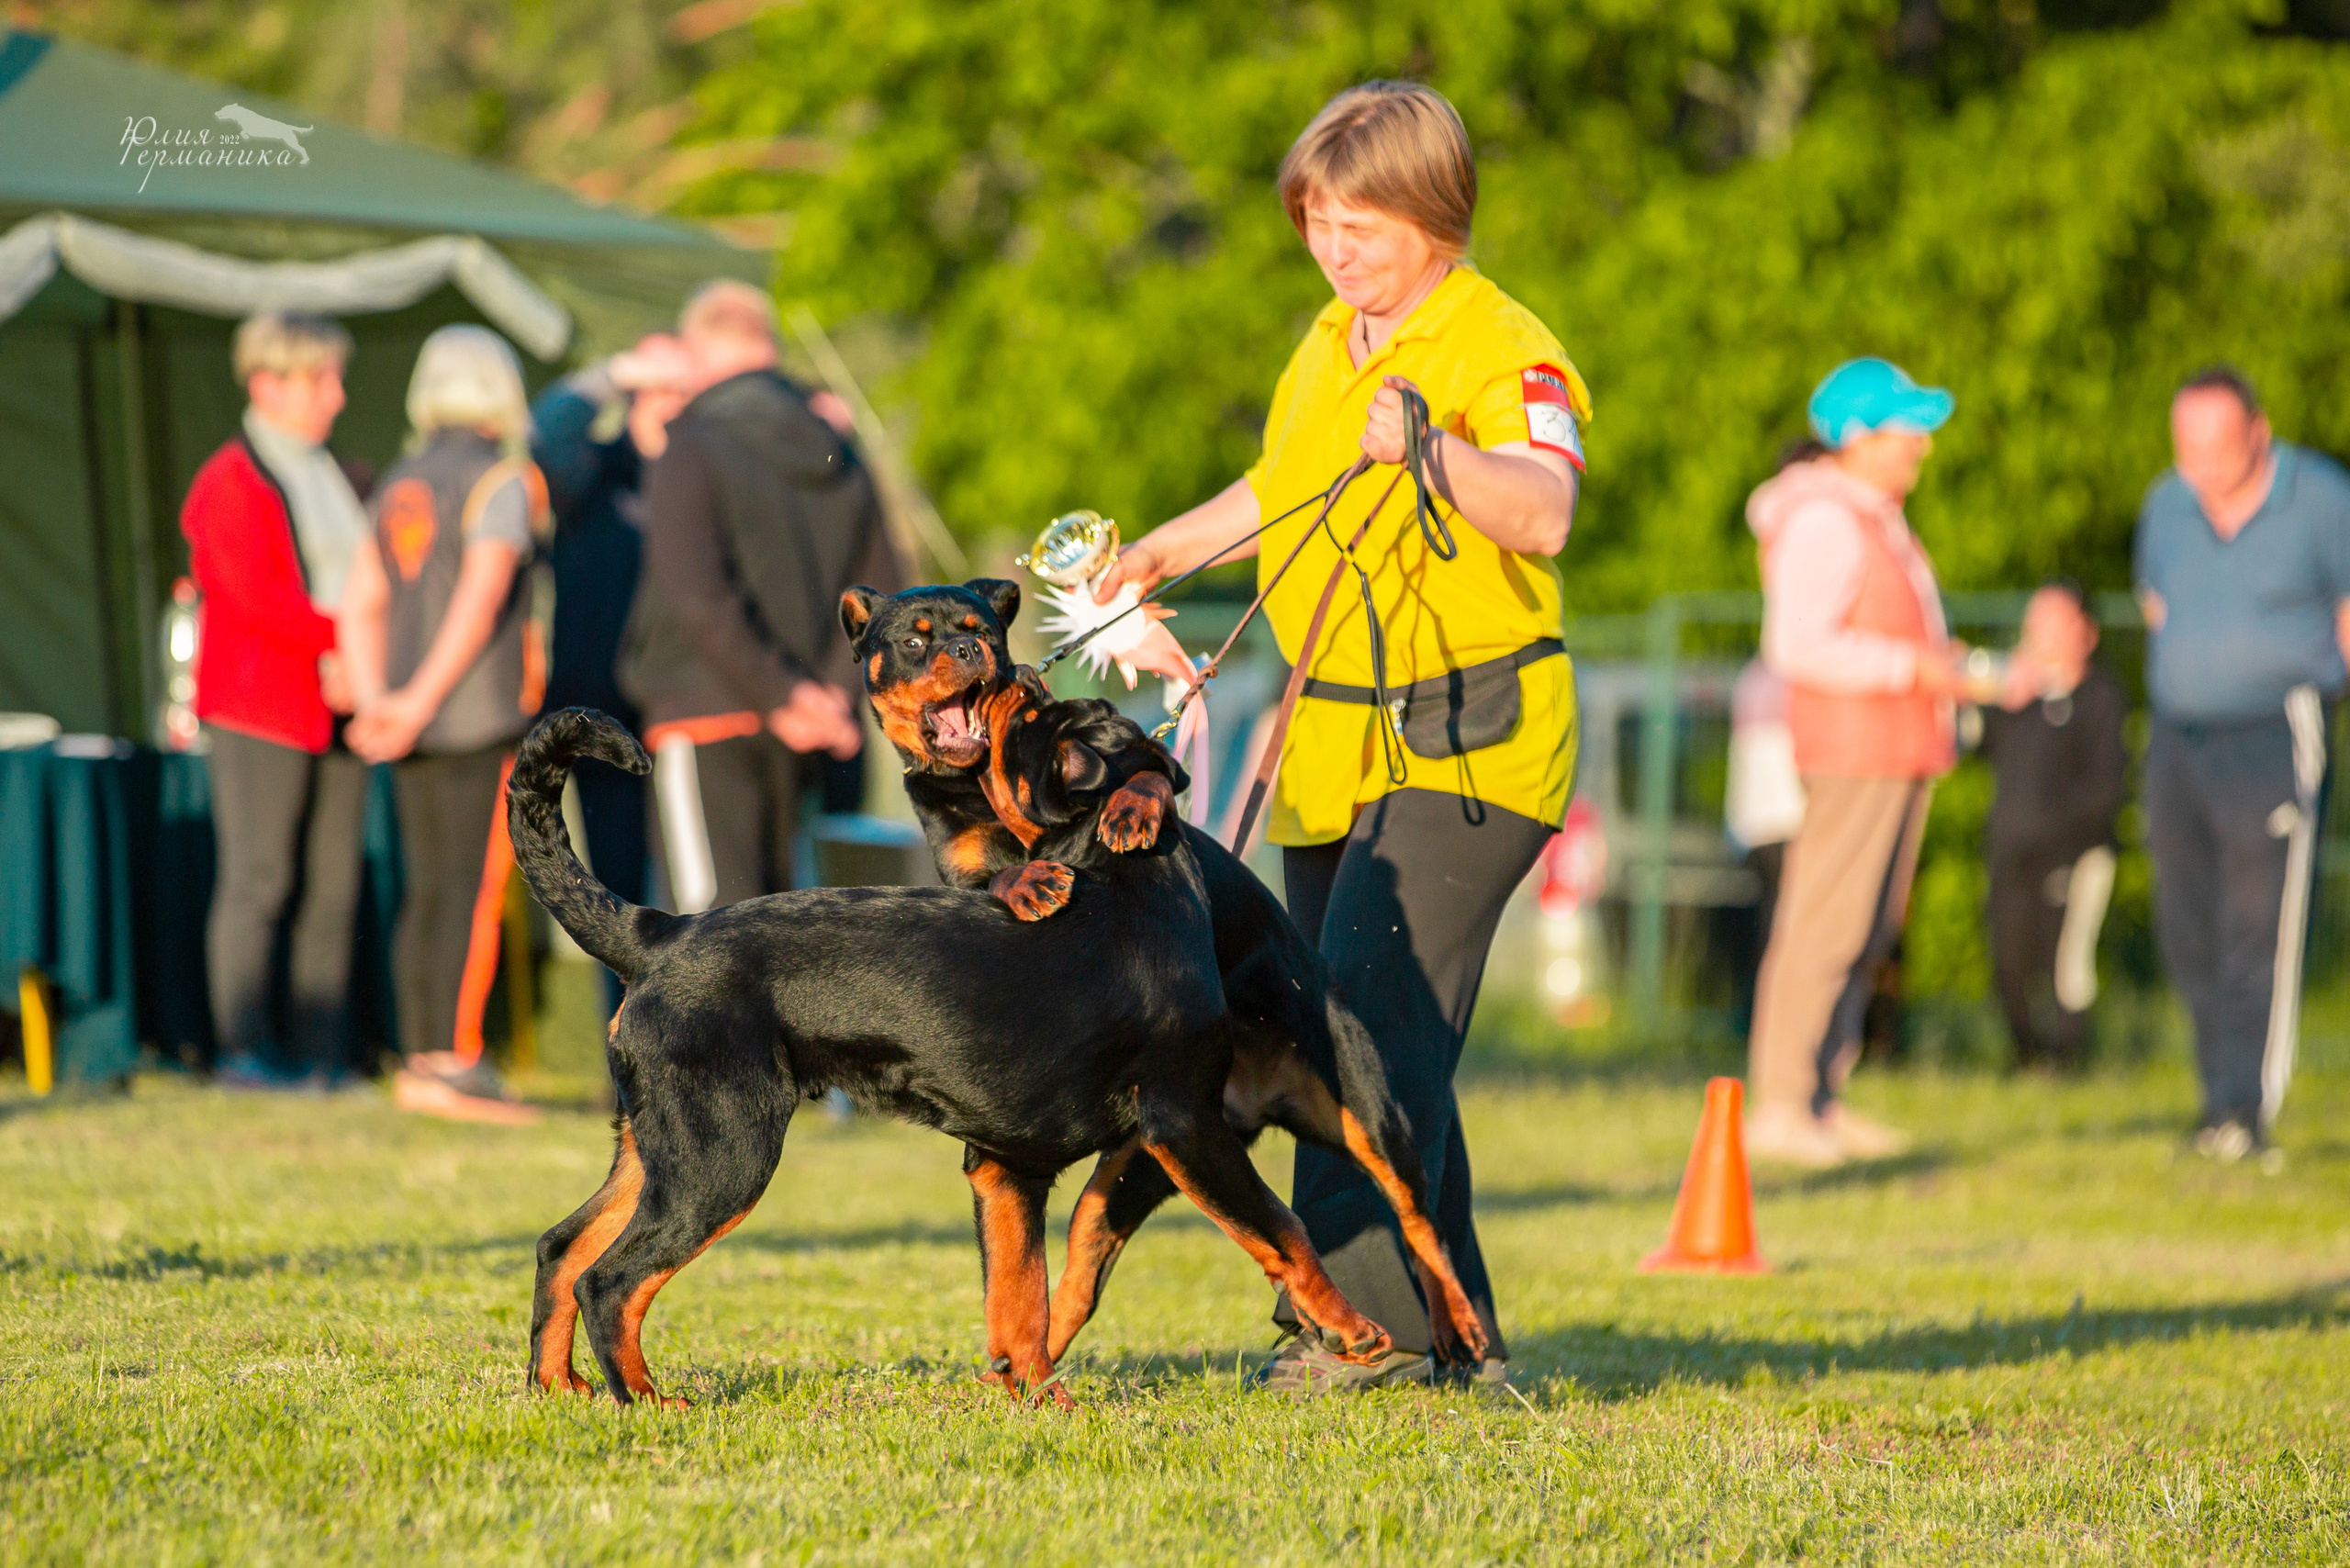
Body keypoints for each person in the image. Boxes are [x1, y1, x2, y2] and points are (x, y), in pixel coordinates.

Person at [1091, 82, 1587, 1393]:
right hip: (1333, 744)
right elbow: (1282, 488)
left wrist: (1435, 454)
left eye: (1358, 224)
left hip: (1470, 744)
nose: (1333, 248)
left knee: (1348, 1028)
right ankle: (1457, 1339)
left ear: (1435, 213)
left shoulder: (1504, 344)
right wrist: (1163, 549)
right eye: (1315, 221)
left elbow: (1544, 510)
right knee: (1378, 1031)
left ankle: (1356, 1334)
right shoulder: (1329, 336)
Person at [1744, 358, 1971, 1168]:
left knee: (1865, 927)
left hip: (1893, 746)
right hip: (1852, 747)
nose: (1923, 445)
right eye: (1908, 427)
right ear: (1860, 436)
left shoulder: (1870, 515)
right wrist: (1918, 670)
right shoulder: (1825, 521)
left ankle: (1820, 1098)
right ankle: (1780, 1103)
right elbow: (1798, 645)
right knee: (1825, 924)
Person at [619, 281, 904, 911]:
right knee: (787, 938)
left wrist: (786, 695)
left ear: (696, 350)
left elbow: (694, 595)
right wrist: (826, 691)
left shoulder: (690, 443)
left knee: (704, 939)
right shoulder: (835, 443)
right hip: (813, 729)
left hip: (705, 707)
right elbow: (882, 585)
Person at [2135, 366, 2349, 1163]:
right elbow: (2157, 605)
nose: (2203, 466)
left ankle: (2245, 1109)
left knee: (2258, 922)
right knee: (2188, 921)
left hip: (2272, 727)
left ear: (2258, 432)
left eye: (2218, 447)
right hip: (2176, 733)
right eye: (2187, 448)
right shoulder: (2167, 503)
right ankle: (2211, 1095)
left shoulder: (2322, 500)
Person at [341, 325, 550, 1122]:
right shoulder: (504, 478)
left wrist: (378, 701)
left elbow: (361, 596)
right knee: (468, 890)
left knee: (426, 888)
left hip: (411, 722)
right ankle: (450, 1065)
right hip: (474, 719)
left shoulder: (401, 477)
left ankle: (421, 1057)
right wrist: (421, 700)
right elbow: (482, 595)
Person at [182, 311, 373, 1089]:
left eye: (335, 376)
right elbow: (257, 597)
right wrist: (342, 646)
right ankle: (246, 1047)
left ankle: (322, 1050)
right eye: (319, 378)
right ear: (268, 383)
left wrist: (358, 661)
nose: (336, 393)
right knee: (261, 878)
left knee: (333, 883)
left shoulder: (330, 473)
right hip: (262, 706)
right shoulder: (230, 480)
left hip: (337, 703)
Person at [528, 333, 694, 1010]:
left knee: (695, 896)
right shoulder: (592, 471)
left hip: (683, 712)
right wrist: (616, 369)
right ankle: (626, 1055)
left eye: (680, 391)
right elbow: (546, 430)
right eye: (654, 391)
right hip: (602, 716)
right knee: (618, 900)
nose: (668, 405)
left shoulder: (701, 474)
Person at [1977, 581, 2127, 1073]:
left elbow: (2105, 790)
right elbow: (1973, 740)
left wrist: (2065, 840)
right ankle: (2027, 1060)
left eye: (2055, 623)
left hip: (2073, 855)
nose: (2041, 636)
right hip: (2011, 852)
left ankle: (2068, 1065)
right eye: (2034, 624)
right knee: (2010, 964)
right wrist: (1995, 688)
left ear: (2086, 632)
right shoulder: (2013, 700)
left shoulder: (2100, 699)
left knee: (2066, 967)